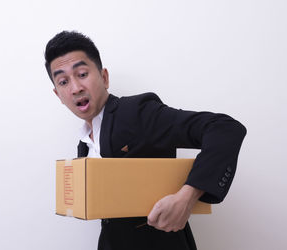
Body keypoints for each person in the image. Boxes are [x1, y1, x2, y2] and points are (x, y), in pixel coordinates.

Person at [44, 31, 246, 250]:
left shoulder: (138, 112)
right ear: (58, 95)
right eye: (64, 81)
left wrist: (188, 196)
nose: (75, 88)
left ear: (104, 77)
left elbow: (225, 129)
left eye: (82, 74)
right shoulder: (83, 145)